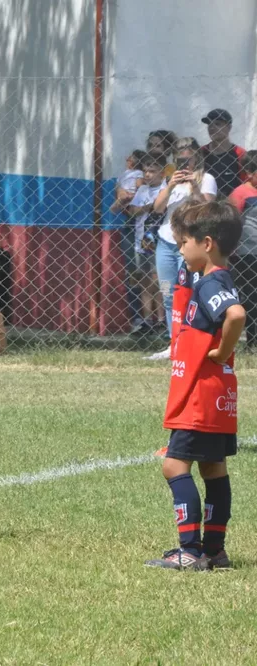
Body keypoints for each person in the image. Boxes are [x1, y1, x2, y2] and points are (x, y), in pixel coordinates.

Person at [146, 201, 244, 571]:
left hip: (200, 395)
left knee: (174, 466)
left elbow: (235, 315)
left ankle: (189, 551)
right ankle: (215, 551)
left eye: (184, 242)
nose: (181, 249)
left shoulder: (209, 283)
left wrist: (221, 351)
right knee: (213, 468)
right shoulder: (219, 279)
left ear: (206, 243)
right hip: (219, 395)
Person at [147, 137, 217, 361]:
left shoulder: (206, 179)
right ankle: (174, 343)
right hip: (166, 242)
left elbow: (207, 209)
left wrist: (194, 186)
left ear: (196, 156)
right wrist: (170, 186)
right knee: (168, 293)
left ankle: (192, 342)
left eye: (188, 157)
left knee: (188, 293)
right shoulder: (170, 179)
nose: (185, 162)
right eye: (180, 157)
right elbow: (158, 209)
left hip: (190, 245)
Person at [113, 155, 167, 335]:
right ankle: (147, 320)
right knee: (144, 281)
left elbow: (162, 208)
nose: (148, 175)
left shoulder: (166, 188)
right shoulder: (143, 189)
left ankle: (162, 320)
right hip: (142, 241)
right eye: (145, 171)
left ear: (162, 172)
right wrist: (148, 207)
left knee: (160, 281)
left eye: (152, 171)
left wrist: (152, 206)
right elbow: (133, 211)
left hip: (161, 241)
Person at [228, 151, 257, 349]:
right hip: (247, 253)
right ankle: (252, 340)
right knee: (250, 296)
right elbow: (231, 223)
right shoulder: (240, 193)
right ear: (249, 173)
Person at [199, 109, 246, 197]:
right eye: (209, 124)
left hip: (232, 203)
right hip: (205, 203)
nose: (212, 128)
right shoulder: (200, 152)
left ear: (229, 128)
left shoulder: (240, 153)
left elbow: (246, 183)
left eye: (217, 124)